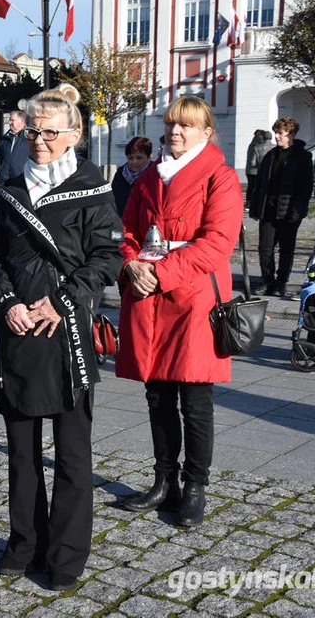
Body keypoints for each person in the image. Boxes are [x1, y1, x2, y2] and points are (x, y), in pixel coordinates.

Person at [0, 84, 121, 592]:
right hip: (17, 328)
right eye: (35, 130)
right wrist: (7, 301)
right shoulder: (12, 189)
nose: (40, 140)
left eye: (51, 132)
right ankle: (24, 543)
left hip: (67, 335)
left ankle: (64, 554)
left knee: (73, 453)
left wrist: (60, 301)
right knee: (21, 449)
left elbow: (108, 257)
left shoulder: (93, 189)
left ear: (74, 135)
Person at [117, 95, 243, 528]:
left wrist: (162, 272)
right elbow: (128, 230)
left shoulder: (221, 178)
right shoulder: (149, 175)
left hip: (193, 297)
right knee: (157, 397)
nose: (176, 132)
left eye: (187, 125)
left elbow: (217, 243)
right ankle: (164, 480)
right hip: (148, 294)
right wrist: (131, 264)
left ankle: (195, 487)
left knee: (194, 398)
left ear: (206, 132)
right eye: (171, 124)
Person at [249, 118, 313, 299]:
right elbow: (260, 183)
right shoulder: (270, 155)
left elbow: (306, 187)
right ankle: (267, 280)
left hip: (288, 211)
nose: (277, 136)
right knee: (265, 248)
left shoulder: (302, 156)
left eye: (281, 133)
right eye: (276, 132)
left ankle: (281, 282)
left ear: (291, 134)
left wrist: (297, 210)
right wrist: (255, 206)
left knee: (286, 249)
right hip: (268, 210)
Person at [110, 136, 153, 216]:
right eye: (130, 158)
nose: (134, 162)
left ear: (149, 157)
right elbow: (113, 201)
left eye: (139, 158)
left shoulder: (155, 174)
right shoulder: (120, 174)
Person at [0, 110, 28, 185]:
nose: (9, 122)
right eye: (9, 120)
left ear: (22, 122)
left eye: (12, 120)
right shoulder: (4, 139)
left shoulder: (29, 139)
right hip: (5, 181)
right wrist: (0, 172)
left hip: (22, 181)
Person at [244, 129, 273, 205]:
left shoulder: (252, 144)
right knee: (256, 187)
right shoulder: (257, 145)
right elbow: (254, 161)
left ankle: (249, 201)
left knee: (251, 186)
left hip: (249, 170)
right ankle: (253, 202)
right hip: (256, 170)